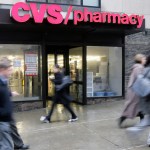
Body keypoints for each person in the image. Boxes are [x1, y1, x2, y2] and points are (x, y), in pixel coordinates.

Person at [0, 57, 29, 150]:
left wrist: (11, 93)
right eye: (9, 70)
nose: (11, 72)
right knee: (6, 145)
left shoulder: (3, 80)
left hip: (8, 115)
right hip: (2, 118)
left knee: (13, 129)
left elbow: (3, 92)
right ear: (2, 69)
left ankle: (19, 145)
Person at [118, 54, 146, 128]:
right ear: (140, 60)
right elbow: (140, 79)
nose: (145, 60)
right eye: (144, 58)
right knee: (133, 106)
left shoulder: (138, 67)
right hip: (135, 91)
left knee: (138, 106)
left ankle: (142, 121)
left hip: (135, 90)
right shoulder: (138, 68)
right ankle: (122, 118)